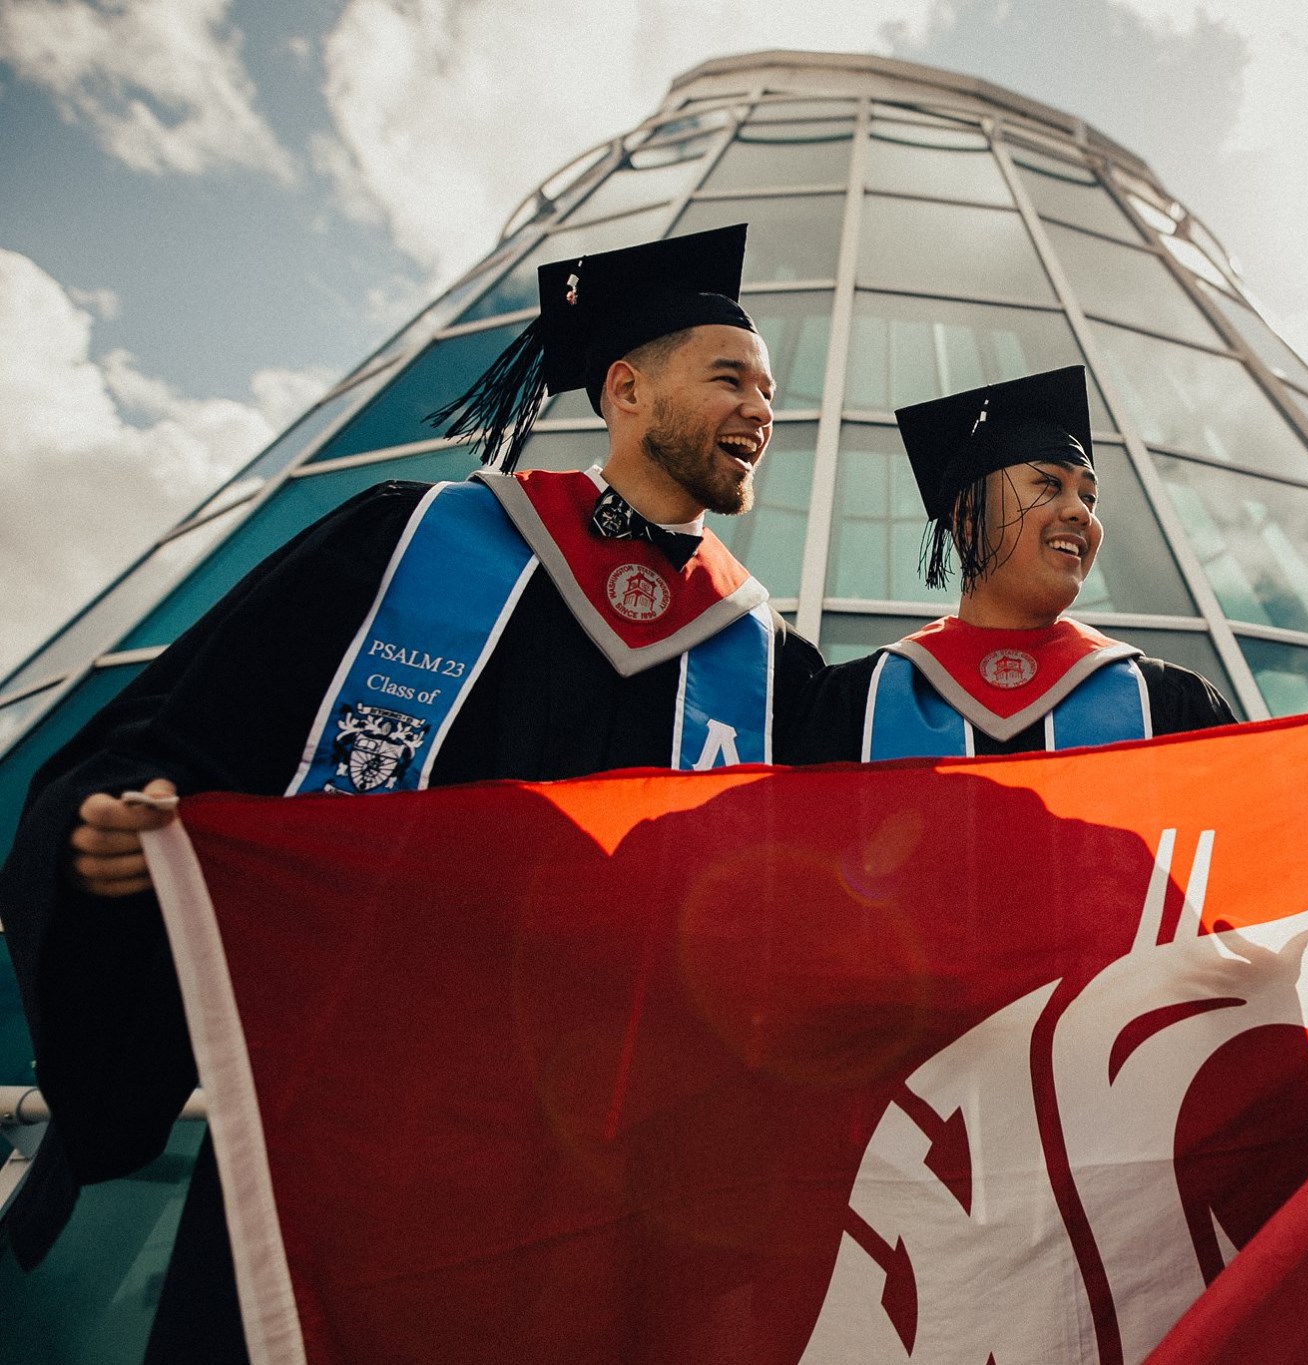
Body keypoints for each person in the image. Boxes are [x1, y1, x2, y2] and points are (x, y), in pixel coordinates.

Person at [0, 225, 823, 1361]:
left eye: (769, 391)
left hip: (597, 1158)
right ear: (626, 391)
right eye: (731, 378)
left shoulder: (767, 661)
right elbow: (195, 728)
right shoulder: (413, 542)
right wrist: (116, 826)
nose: (761, 410)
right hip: (348, 1118)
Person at [787, 366, 1235, 764]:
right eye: (1049, 484)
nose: (1081, 512)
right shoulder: (856, 705)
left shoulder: (1167, 704)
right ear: (969, 517)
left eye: (1089, 497)